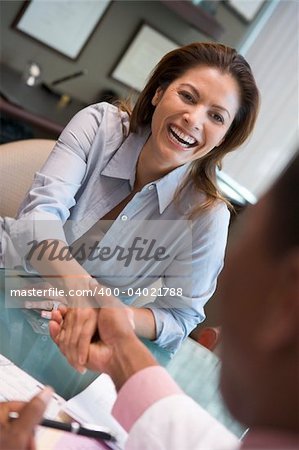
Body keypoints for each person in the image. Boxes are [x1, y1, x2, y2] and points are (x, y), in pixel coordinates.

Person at [1, 151, 298, 449]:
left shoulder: (206, 214)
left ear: (287, 303)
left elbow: (182, 315)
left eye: (244, 239)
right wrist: (119, 349)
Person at [0, 42, 259, 369]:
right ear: (158, 93)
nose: (193, 119)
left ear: (224, 137)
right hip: (8, 272)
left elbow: (180, 316)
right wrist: (88, 293)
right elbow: (38, 220)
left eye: (216, 116)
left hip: (74, 337)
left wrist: (113, 315)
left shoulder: (206, 216)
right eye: (188, 96)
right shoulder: (99, 126)